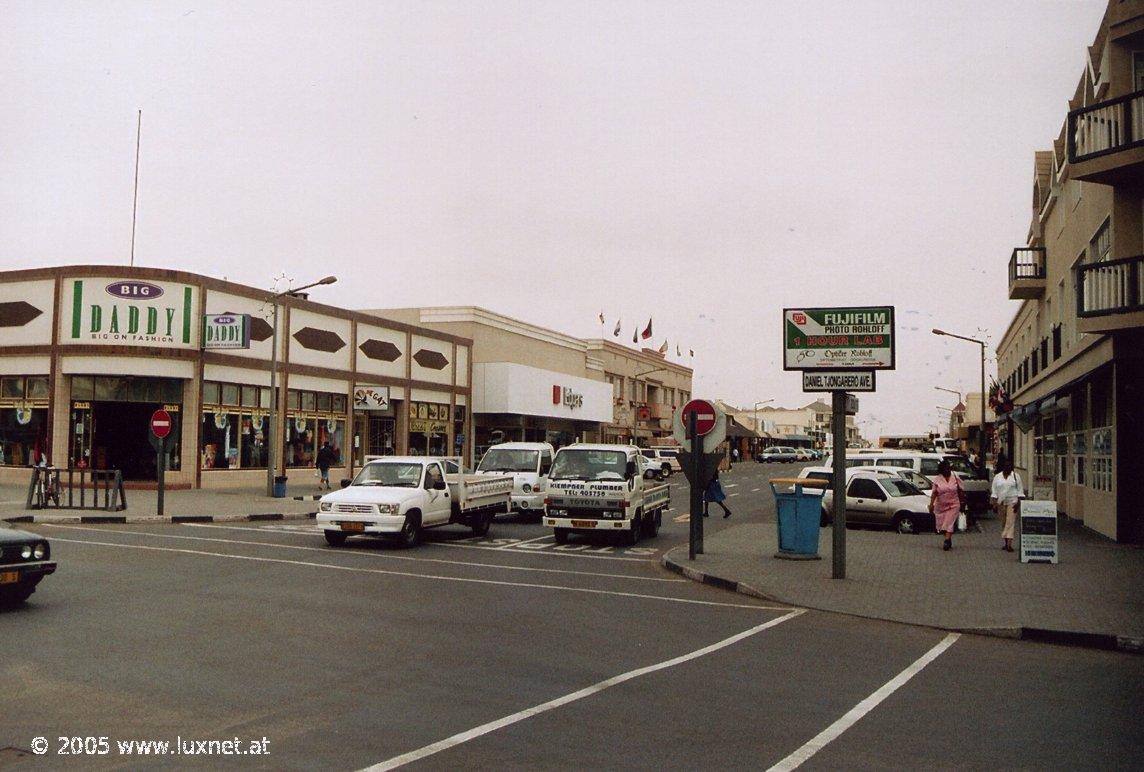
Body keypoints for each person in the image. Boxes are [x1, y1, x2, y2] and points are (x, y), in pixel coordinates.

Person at [929, 459, 965, 551]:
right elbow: (934, 493)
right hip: (941, 505)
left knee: (949, 522)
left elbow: (961, 490)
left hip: (954, 504)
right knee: (942, 525)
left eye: (948, 469)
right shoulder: (937, 479)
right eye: (945, 469)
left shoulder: (955, 477)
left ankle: (946, 541)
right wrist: (931, 505)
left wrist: (962, 502)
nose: (947, 471)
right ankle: (948, 538)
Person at [991, 460, 1024, 552]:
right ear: (1003, 467)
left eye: (1009, 466)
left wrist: (1018, 502)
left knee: (1010, 522)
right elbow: (994, 491)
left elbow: (1020, 491)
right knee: (1004, 522)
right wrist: (994, 504)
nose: (1008, 468)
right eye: (1006, 466)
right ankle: (1006, 543)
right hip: (1001, 503)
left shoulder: (1016, 477)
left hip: (1012, 502)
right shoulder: (997, 477)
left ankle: (1009, 544)